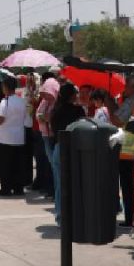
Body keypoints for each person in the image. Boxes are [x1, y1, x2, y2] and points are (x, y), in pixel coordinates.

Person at [107, 75, 134, 227]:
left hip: (130, 143)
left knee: (128, 183)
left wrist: (109, 102)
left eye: (127, 85)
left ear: (133, 87)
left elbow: (117, 120)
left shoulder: (132, 100)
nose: (125, 87)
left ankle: (130, 217)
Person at [50, 83, 85, 222]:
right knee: (76, 184)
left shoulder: (55, 110)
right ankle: (75, 215)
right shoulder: (78, 111)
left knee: (60, 185)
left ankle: (60, 216)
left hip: (58, 148)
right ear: (72, 95)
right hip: (73, 149)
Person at [0, 77, 28, 196]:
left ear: (5, 87)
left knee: (4, 165)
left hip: (4, 138)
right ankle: (18, 188)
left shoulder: (5, 102)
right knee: (17, 164)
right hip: (18, 137)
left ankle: (6, 188)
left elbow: (0, 119)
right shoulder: (21, 101)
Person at [36, 77, 60, 199]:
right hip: (45, 135)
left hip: (53, 136)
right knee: (51, 163)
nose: (45, 95)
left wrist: (47, 118)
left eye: (47, 93)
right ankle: (52, 189)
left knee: (55, 164)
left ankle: (56, 191)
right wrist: (43, 117)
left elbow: (54, 117)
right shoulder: (44, 102)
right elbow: (38, 113)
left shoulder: (58, 103)